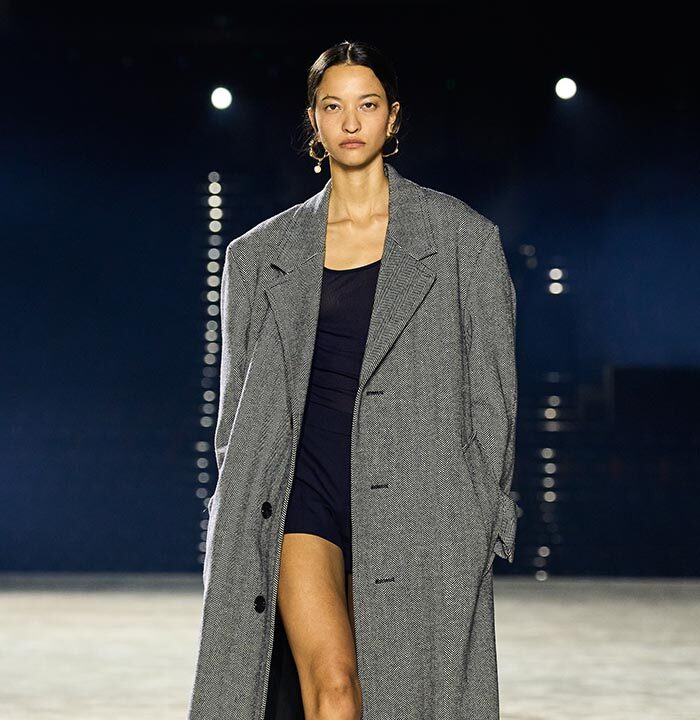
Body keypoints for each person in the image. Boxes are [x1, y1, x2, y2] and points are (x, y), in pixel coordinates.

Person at [188, 40, 519, 720]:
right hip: (298, 489)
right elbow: (236, 414)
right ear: (313, 120)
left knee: (402, 696)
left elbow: (493, 398)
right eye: (332, 106)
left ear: (392, 118)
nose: (350, 122)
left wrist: (481, 512)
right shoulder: (258, 255)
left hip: (421, 497)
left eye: (366, 105)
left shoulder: (463, 240)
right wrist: (236, 506)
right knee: (334, 687)